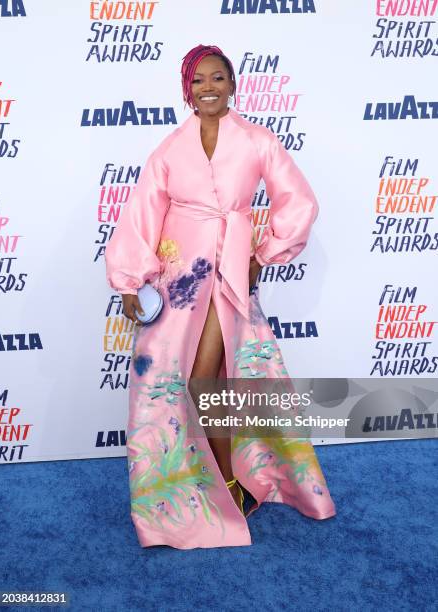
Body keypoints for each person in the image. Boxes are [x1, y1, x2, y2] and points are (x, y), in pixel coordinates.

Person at [105, 44, 336, 550]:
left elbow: (298, 201)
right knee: (172, 381)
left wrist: (262, 254)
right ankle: (191, 484)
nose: (207, 87)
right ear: (186, 90)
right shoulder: (168, 149)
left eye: (217, 78)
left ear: (233, 85)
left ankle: (229, 481)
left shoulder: (258, 141)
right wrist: (129, 279)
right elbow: (142, 213)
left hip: (229, 271)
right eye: (197, 80)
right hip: (177, 275)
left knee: (205, 376)